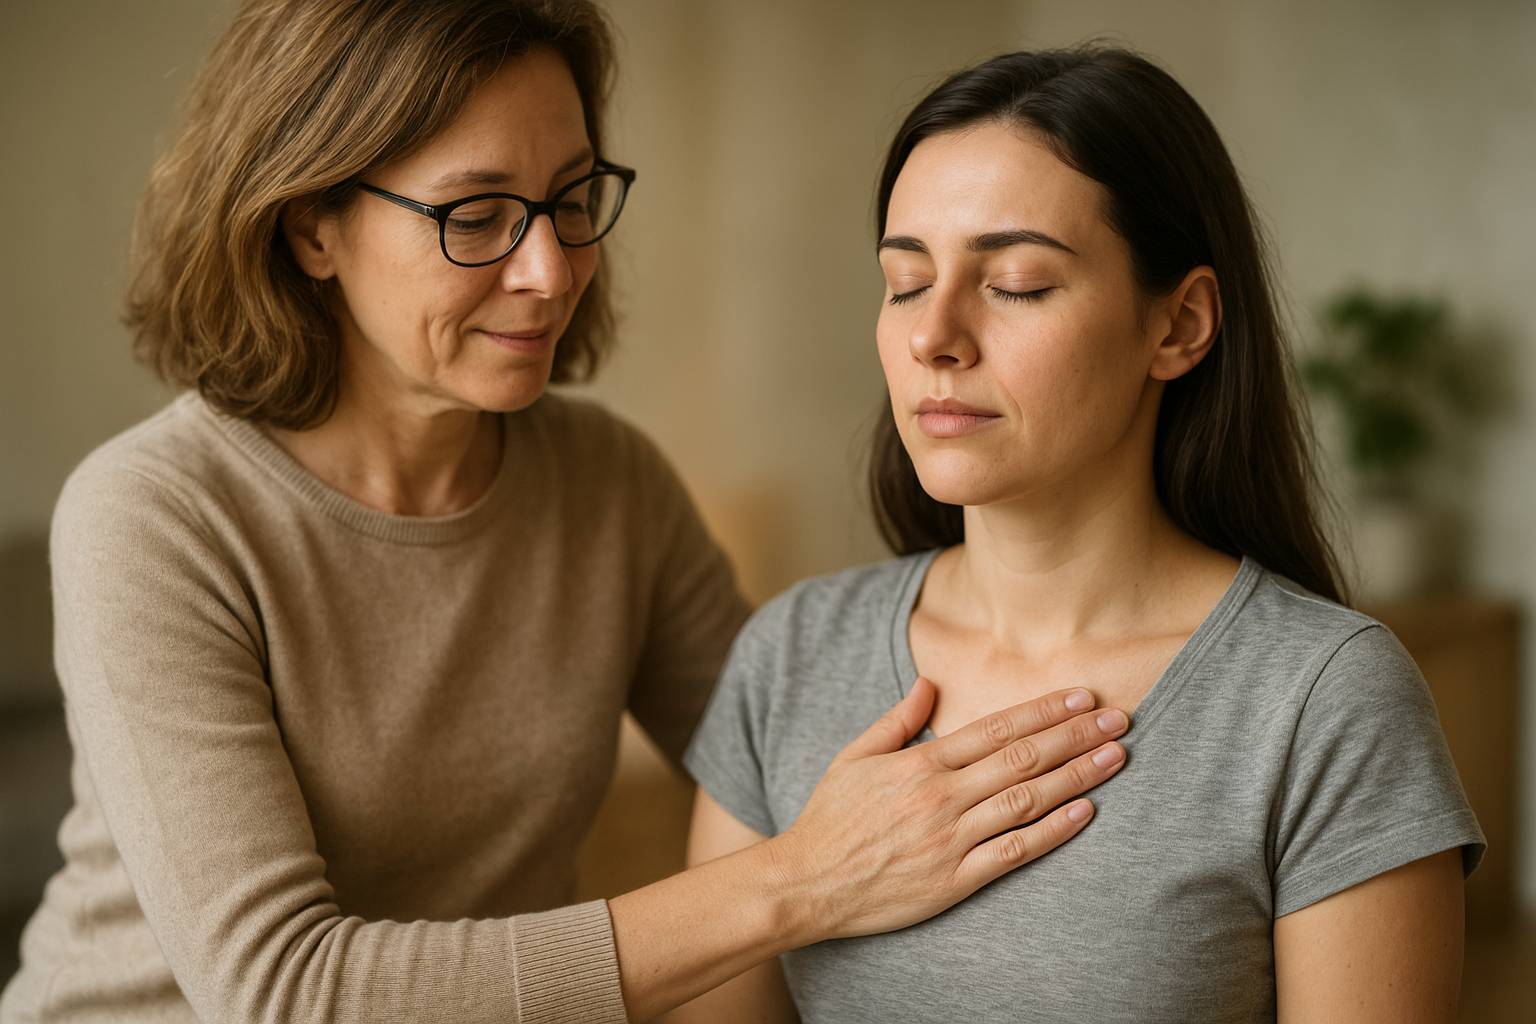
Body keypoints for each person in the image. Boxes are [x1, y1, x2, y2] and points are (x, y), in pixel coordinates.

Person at [0, 5, 1147, 1023]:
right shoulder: (153, 517)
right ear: (313, 228)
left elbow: (800, 766)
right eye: (478, 214)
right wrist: (794, 881)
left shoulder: (608, 484)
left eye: (568, 200)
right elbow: (286, 992)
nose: (552, 268)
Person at [674, 47, 1485, 1023]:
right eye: (903, 281)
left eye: (1014, 282)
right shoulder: (791, 656)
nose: (935, 334)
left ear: (1178, 325)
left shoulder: (1323, 699)